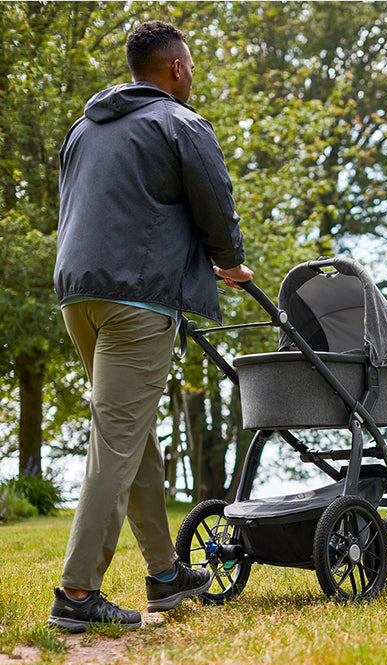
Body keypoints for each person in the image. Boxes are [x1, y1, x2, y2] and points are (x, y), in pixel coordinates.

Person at [48, 20, 254, 632]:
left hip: (77, 295)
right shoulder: (180, 124)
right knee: (116, 440)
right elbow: (214, 201)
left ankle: (166, 574)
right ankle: (78, 594)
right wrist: (229, 261)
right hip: (136, 300)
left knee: (134, 438)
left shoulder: (84, 128)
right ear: (176, 69)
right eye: (189, 64)